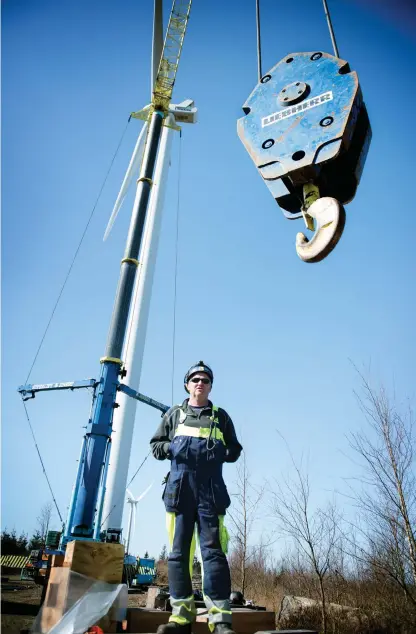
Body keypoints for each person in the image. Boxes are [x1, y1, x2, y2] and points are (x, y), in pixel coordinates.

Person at [150, 361, 242, 634]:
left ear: (211, 386)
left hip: (210, 494)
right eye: (195, 379)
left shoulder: (220, 417)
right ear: (187, 385)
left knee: (213, 555)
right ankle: (181, 619)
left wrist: (222, 451)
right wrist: (174, 447)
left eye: (205, 379)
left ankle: (220, 621)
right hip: (180, 493)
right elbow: (155, 446)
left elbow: (235, 450)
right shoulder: (174, 415)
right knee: (178, 556)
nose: (200, 383)